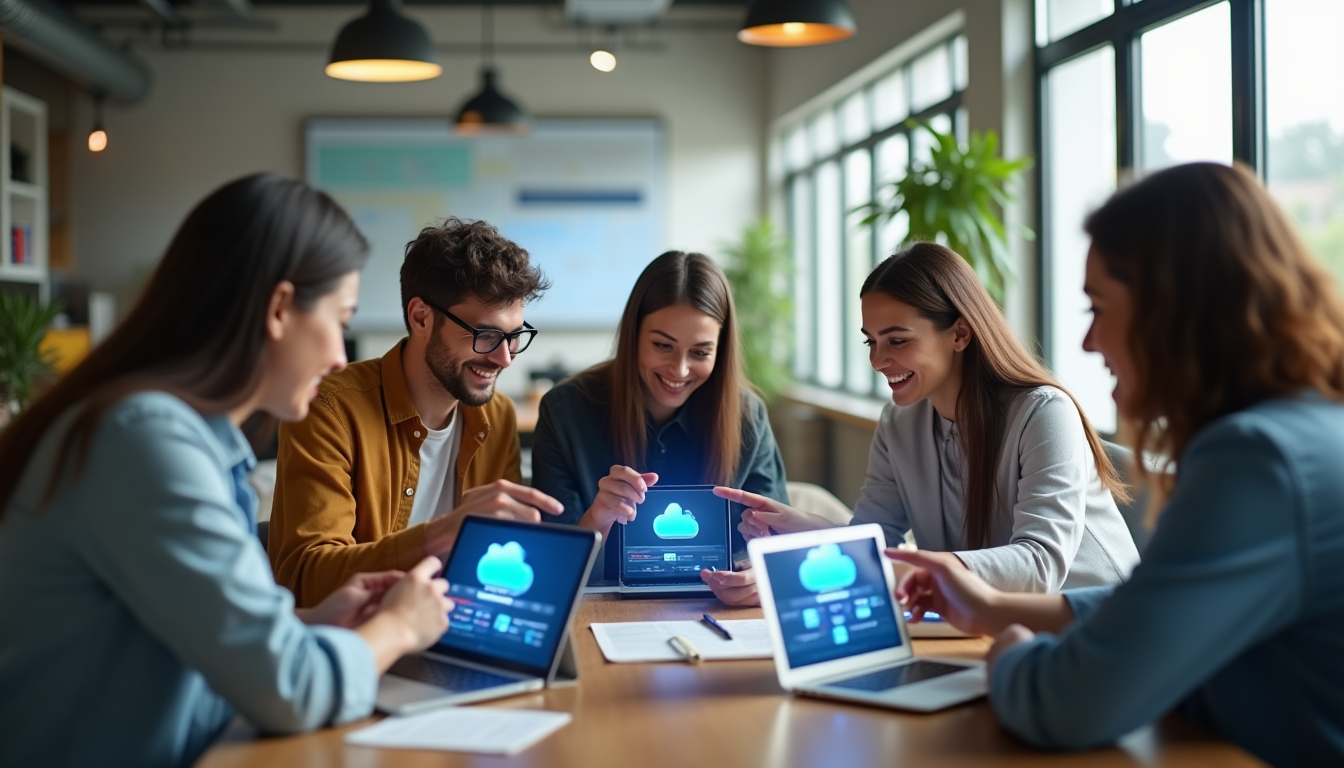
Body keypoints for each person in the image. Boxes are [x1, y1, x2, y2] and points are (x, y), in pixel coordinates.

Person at [889, 162, 1344, 765]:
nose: (1088, 343)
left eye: (1098, 308)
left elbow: (1069, 702)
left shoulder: (1256, 463)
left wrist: (1010, 651)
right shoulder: (1298, 431)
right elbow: (1162, 605)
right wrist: (995, 608)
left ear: (1174, 308)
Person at [0, 175, 454, 767]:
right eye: (339, 319)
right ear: (279, 309)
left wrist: (308, 620)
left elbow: (175, 625)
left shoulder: (170, 433)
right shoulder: (144, 444)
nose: (341, 356)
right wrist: (397, 628)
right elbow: (291, 690)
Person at [711, 242, 1139, 606]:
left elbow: (1039, 567)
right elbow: (878, 536)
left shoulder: (1044, 413)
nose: (878, 360)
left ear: (960, 334)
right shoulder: (900, 421)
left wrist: (907, 567)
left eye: (897, 340)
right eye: (871, 341)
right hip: (992, 627)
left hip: (1100, 632)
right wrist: (805, 529)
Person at [268, 217, 563, 608]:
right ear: (421, 317)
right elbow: (304, 578)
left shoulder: (498, 415)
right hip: (361, 642)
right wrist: (440, 534)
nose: (504, 359)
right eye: (486, 335)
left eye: (513, 337)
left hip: (457, 627)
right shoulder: (329, 409)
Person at [530, 250, 789, 582]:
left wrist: (756, 573)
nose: (679, 370)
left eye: (700, 352)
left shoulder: (747, 416)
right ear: (634, 335)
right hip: (601, 609)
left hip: (717, 608)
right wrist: (598, 518)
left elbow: (779, 550)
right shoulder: (565, 411)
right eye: (663, 346)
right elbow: (553, 569)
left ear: (720, 351)